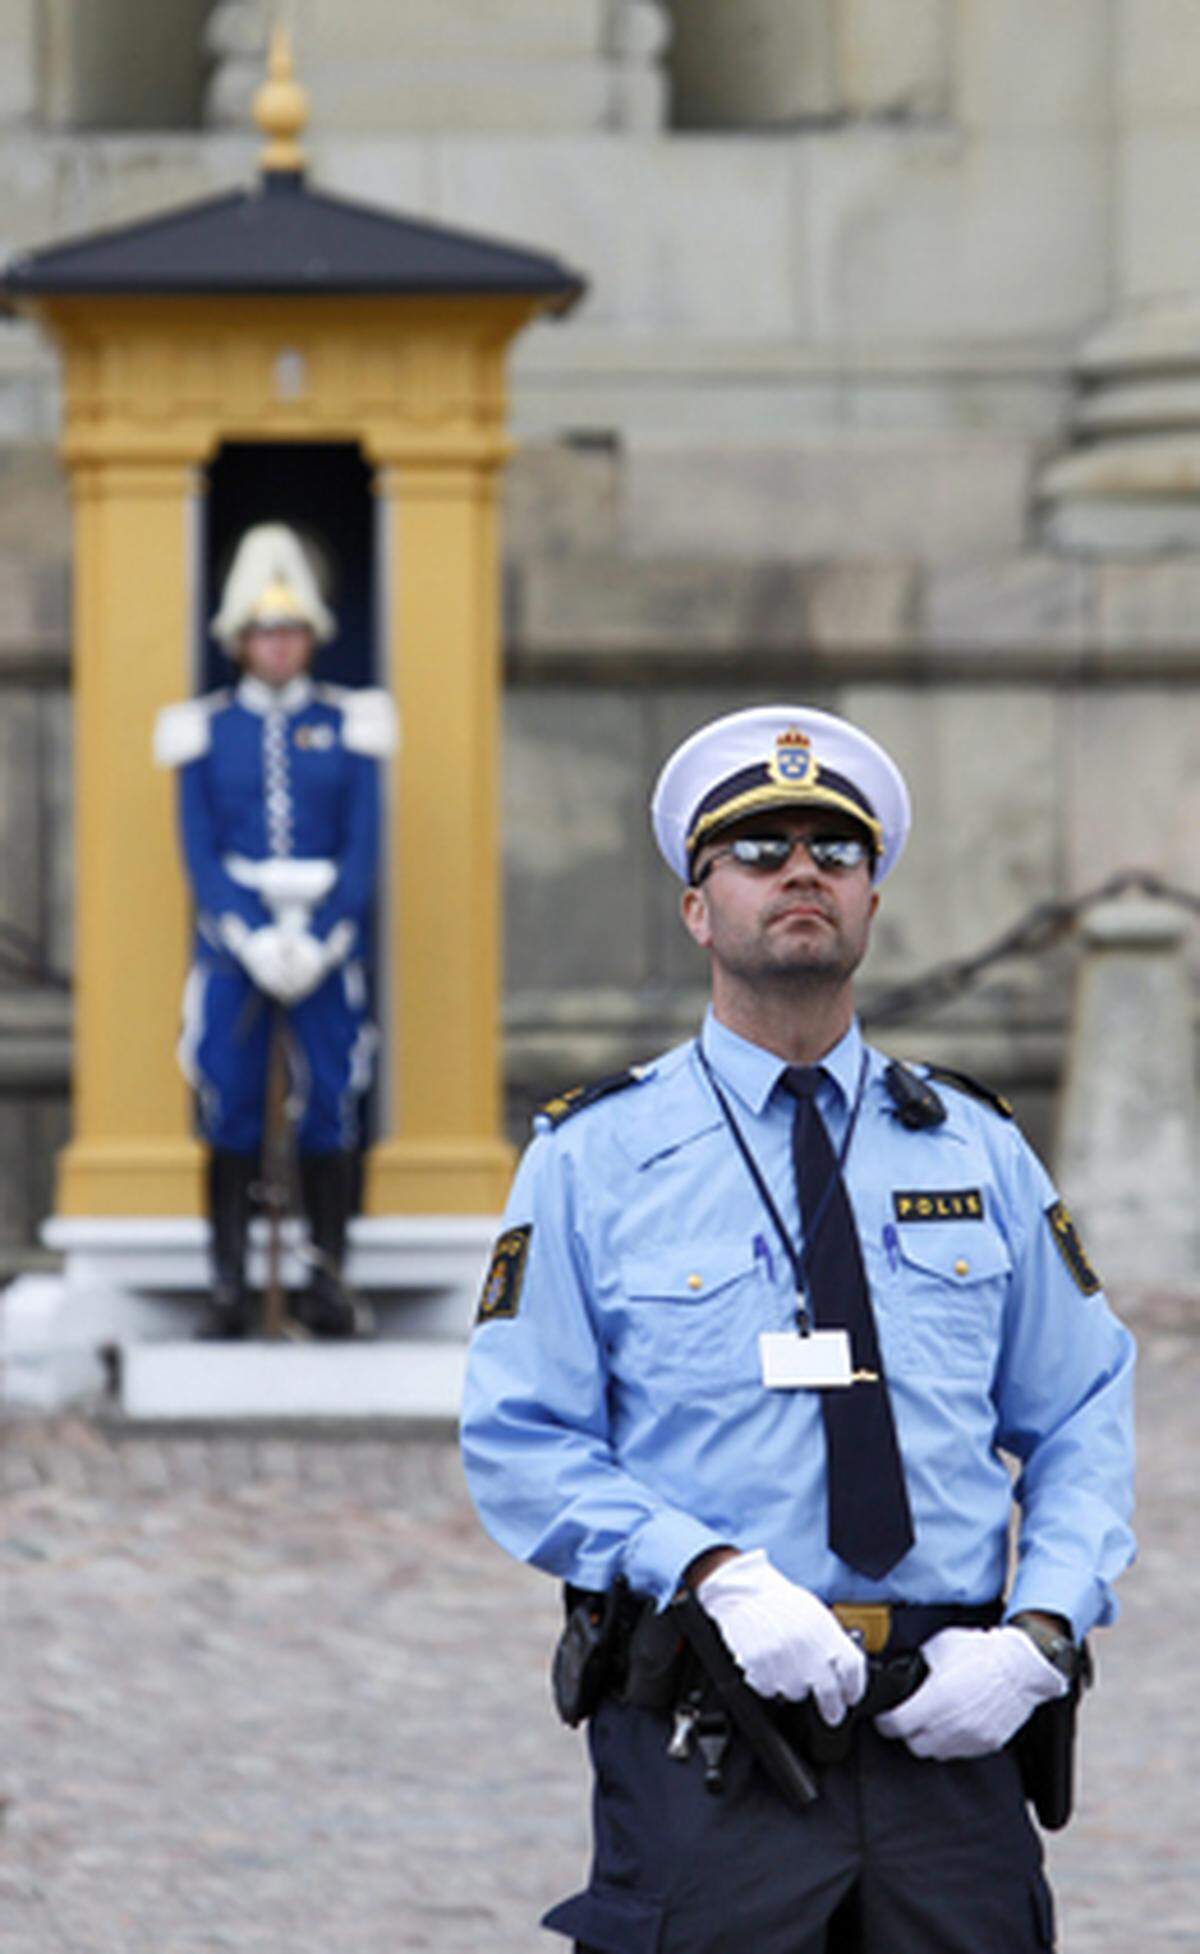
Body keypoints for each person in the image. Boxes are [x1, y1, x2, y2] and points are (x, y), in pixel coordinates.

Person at [460, 704, 1135, 1954]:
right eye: (758, 849)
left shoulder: (981, 1149)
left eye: (835, 847)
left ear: (872, 899)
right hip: (719, 1733)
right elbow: (521, 1436)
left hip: (954, 1720)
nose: (801, 870)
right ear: (697, 906)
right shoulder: (595, 1157)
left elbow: (1084, 1405)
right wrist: (712, 1570)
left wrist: (1040, 1634)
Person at [153, 522, 397, 1340]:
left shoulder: (349, 723)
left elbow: (362, 847)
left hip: (327, 946)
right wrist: (252, 935)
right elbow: (201, 849)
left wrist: (324, 935)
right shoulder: (205, 728)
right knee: (230, 1101)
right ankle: (229, 1282)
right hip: (235, 946)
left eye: (290, 630)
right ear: (239, 640)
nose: (278, 645)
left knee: (330, 1099)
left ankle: (326, 1276)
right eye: (264, 631)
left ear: (311, 637)